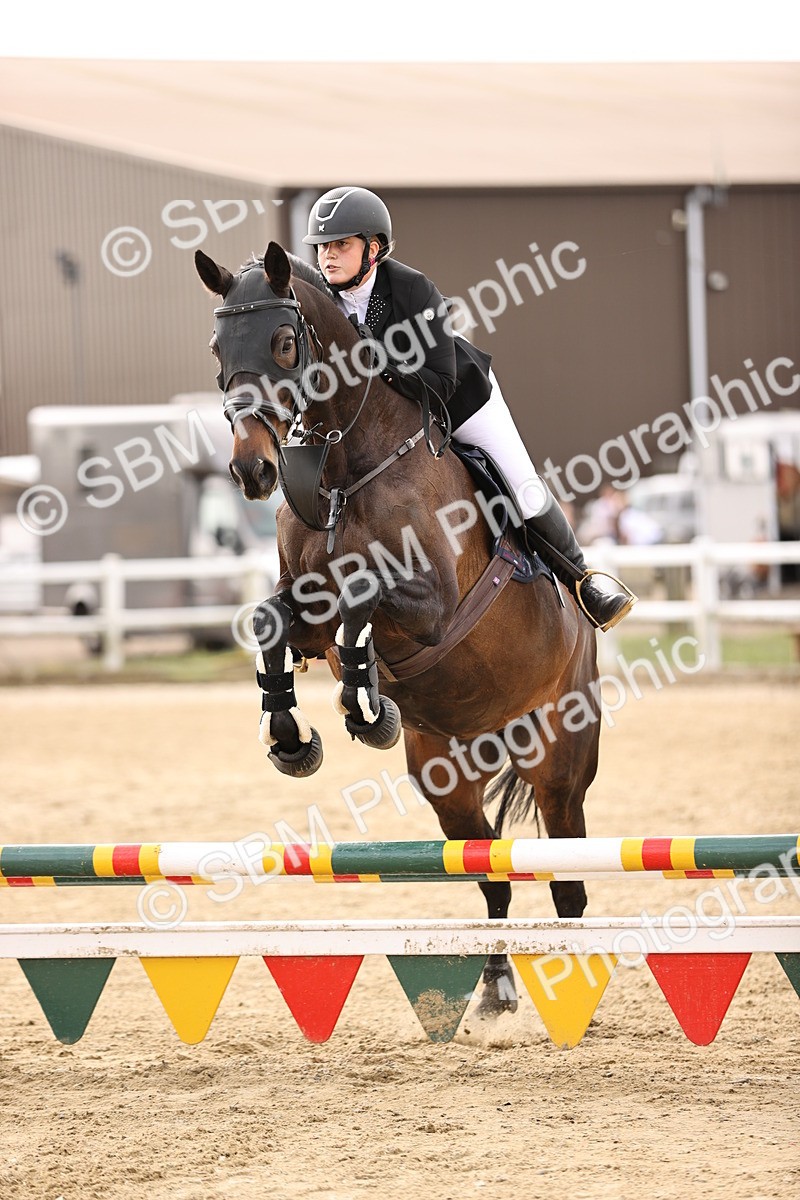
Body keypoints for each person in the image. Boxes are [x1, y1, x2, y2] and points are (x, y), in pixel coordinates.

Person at [302, 185, 636, 632]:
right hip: (384, 429)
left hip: (460, 400)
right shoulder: (321, 303)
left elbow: (440, 379)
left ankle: (584, 582)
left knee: (522, 484)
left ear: (373, 248)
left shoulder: (413, 290)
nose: (328, 256)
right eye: (323, 246)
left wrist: (375, 362)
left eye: (341, 244)